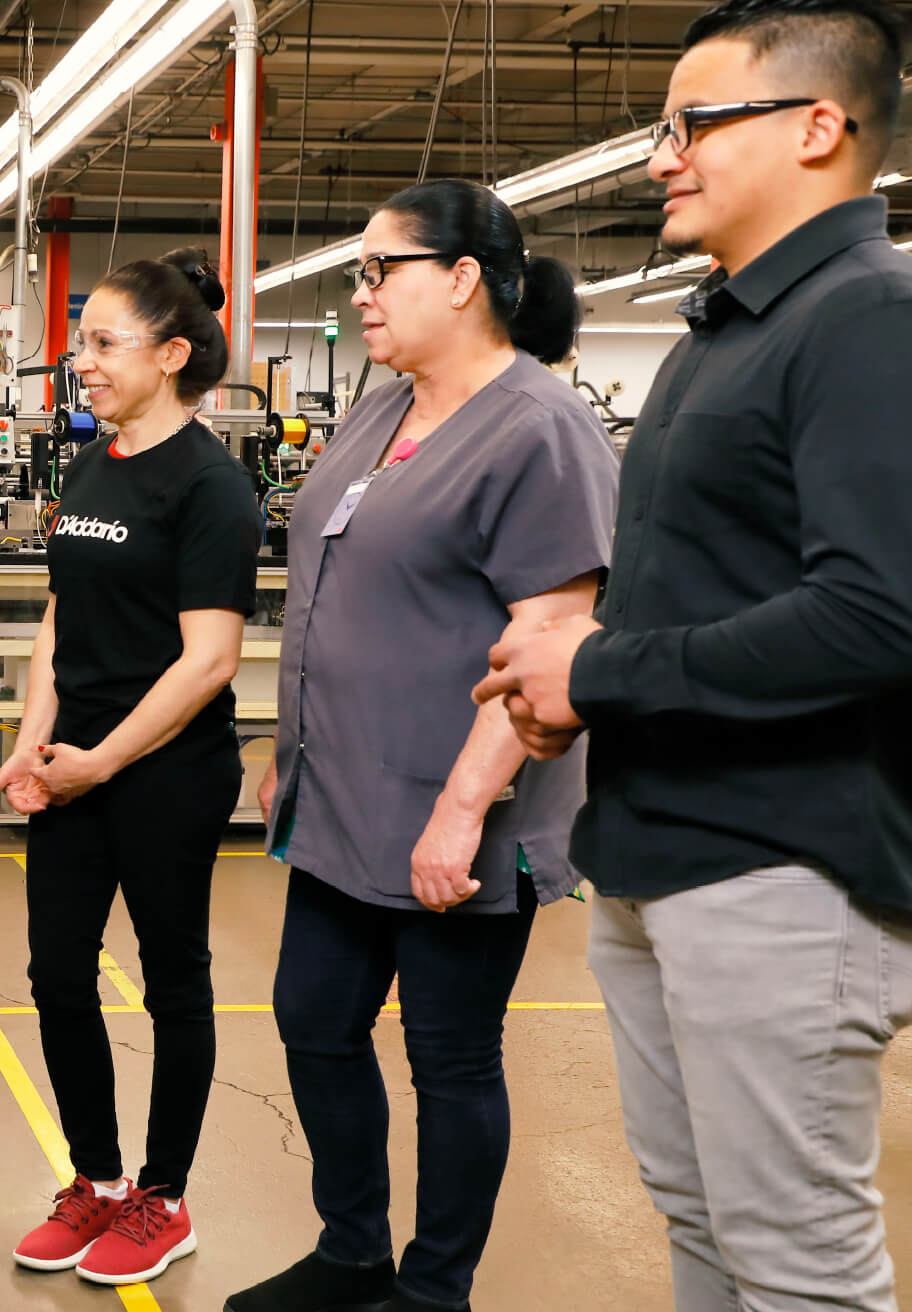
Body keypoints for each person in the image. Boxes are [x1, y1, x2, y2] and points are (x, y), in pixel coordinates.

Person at [472, 2, 912, 1307]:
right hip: (659, 849)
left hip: (782, 870)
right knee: (702, 1221)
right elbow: (721, 585)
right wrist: (580, 660)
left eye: (693, 123)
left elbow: (879, 613)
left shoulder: (867, 319)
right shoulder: (725, 331)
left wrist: (593, 673)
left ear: (819, 127)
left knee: (796, 1262)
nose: (662, 154)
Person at [219, 181, 618, 1312]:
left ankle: (433, 1288)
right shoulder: (380, 410)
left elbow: (547, 635)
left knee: (449, 1061)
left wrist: (458, 810)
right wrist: (292, 745)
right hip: (339, 796)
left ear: (460, 279)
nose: (358, 294)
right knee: (312, 1022)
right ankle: (351, 1249)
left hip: (455, 811)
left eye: (376, 270)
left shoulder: (540, 427)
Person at [0, 249, 262, 1287]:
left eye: (103, 343)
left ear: (172, 354)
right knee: (57, 974)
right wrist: (30, 741)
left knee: (170, 980)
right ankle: (93, 1183)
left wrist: (96, 760)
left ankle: (162, 1197)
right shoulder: (93, 460)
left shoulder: (210, 486)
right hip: (70, 764)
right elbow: (64, 612)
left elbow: (209, 659)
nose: (80, 363)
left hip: (163, 770)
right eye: (80, 342)